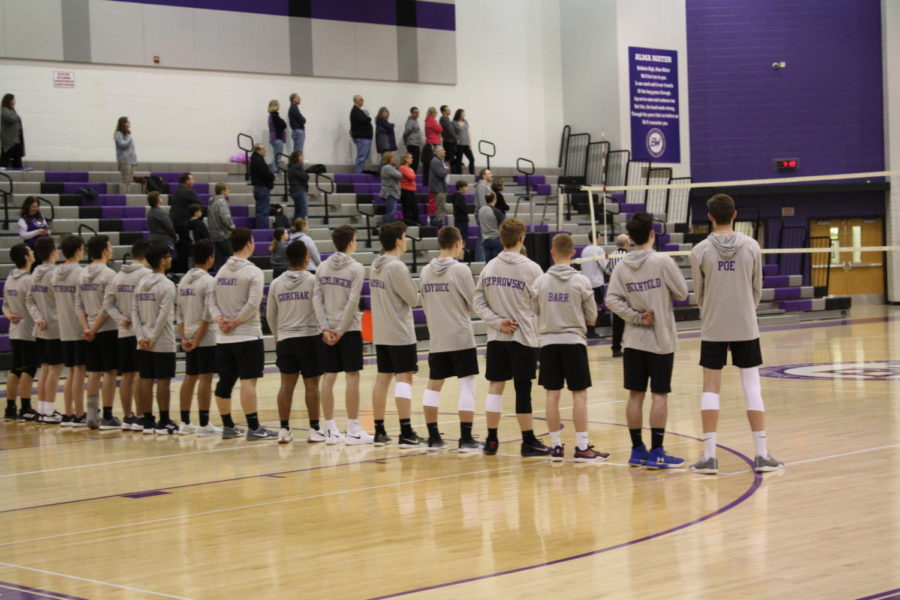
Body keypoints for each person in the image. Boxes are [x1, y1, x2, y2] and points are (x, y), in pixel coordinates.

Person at [689, 194, 784, 474]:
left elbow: (699, 293)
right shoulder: (752, 246)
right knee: (752, 386)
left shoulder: (700, 250)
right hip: (745, 323)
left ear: (709, 216)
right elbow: (757, 290)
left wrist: (716, 313)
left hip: (714, 324)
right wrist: (742, 310)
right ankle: (762, 454)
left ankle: (709, 457)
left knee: (710, 387)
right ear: (735, 214)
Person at [606, 213, 689, 468]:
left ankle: (636, 449)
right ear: (652, 234)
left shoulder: (621, 266)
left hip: (633, 340)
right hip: (660, 340)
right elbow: (683, 293)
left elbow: (611, 300)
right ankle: (657, 451)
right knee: (659, 395)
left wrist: (635, 316)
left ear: (629, 238)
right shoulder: (662, 262)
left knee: (635, 395)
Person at [473, 218, 549, 457]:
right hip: (523, 336)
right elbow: (541, 304)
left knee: (495, 386)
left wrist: (497, 321)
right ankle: (528, 441)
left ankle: (491, 439)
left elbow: (477, 302)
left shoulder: (489, 267)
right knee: (522, 388)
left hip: (497, 337)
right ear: (521, 239)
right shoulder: (532, 268)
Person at [534, 233, 607, 462]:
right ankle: (582, 446)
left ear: (552, 252)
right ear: (573, 253)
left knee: (552, 395)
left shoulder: (541, 281)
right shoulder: (581, 281)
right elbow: (593, 316)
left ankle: (556, 446)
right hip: (574, 341)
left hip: (548, 343)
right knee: (579, 395)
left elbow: (535, 311)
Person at [210, 228, 278, 440]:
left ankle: (228, 426)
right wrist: (236, 321)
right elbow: (253, 303)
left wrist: (220, 319)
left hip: (223, 337)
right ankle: (254, 428)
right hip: (247, 335)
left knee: (225, 381)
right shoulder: (253, 271)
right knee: (249, 381)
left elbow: (211, 301)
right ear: (249, 243)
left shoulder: (221, 271)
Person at [419, 226, 482, 451]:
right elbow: (474, 304)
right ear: (457, 243)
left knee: (434, 385)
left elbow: (424, 303)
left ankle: (433, 437)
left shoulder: (425, 271)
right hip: (460, 336)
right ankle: (466, 438)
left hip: (437, 336)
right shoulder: (461, 270)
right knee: (467, 385)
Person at [314, 225, 373, 444]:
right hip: (347, 329)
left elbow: (316, 299)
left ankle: (329, 429)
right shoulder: (356, 268)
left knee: (329, 376)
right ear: (350, 243)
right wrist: (339, 330)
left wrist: (325, 327)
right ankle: (353, 429)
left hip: (328, 329)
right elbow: (353, 301)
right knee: (352, 376)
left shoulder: (322, 267)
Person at [369, 222, 424, 447]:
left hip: (381, 331)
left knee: (383, 379)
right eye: (405, 236)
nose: (407, 240)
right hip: (400, 332)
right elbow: (414, 299)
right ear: (398, 240)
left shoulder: (375, 264)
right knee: (404, 378)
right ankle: (405, 430)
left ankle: (379, 430)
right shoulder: (396, 267)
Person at [267, 240, 328, 444]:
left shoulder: (276, 283)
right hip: (309, 337)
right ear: (306, 258)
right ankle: (314, 429)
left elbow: (270, 315)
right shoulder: (312, 281)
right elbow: (321, 308)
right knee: (312, 385)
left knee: (286, 385)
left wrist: (278, 336)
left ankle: (284, 430)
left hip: (285, 338)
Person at [103, 239, 151, 431]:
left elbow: (107, 304)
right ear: (147, 257)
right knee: (140, 373)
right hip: (141, 331)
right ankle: (140, 416)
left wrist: (120, 318)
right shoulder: (147, 275)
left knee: (126, 376)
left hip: (123, 331)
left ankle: (127, 417)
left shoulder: (118, 276)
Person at [176, 240, 221, 437]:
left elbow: (179, 314)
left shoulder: (184, 280)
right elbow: (207, 315)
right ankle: (204, 423)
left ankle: (185, 421)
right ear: (210, 257)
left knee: (189, 377)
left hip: (188, 334)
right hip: (205, 336)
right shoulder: (209, 281)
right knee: (205, 379)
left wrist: (184, 337)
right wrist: (196, 339)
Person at [77, 235, 122, 430]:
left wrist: (87, 328)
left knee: (94, 372)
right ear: (104, 251)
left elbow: (78, 305)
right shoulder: (109, 274)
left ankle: (92, 415)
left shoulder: (82, 274)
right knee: (110, 372)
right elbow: (107, 306)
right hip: (107, 329)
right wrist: (94, 329)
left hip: (89, 329)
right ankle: (108, 416)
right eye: (110, 247)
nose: (111, 250)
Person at [132, 244, 178, 435]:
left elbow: (134, 312)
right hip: (162, 340)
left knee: (145, 379)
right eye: (168, 256)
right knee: (163, 381)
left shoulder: (141, 283)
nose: (171, 259)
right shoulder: (167, 285)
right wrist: (151, 337)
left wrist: (141, 335)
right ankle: (164, 420)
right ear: (162, 260)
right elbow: (164, 315)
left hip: (143, 340)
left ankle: (147, 419)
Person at [25, 237, 64, 424]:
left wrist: (37, 318)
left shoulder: (34, 273)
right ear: (54, 252)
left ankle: (42, 409)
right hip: (55, 328)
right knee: (54, 370)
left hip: (40, 328)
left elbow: (29, 300)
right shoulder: (54, 274)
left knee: (45, 369)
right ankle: (48, 411)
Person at [54, 234, 87, 427]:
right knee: (79, 371)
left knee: (70, 372)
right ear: (77, 250)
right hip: (77, 327)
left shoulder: (55, 274)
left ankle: (68, 413)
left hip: (63, 327)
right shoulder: (79, 273)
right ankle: (79, 413)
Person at [3, 243, 38, 422]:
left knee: (16, 369)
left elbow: (5, 305)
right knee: (29, 369)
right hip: (28, 331)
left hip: (15, 330)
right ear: (26, 257)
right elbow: (35, 305)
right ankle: (25, 407)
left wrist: (10, 316)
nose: (33, 252)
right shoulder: (28, 280)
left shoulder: (10, 278)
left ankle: (10, 407)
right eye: (30, 251)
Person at [579, 230, 609, 339]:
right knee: (595, 306)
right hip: (596, 282)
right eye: (600, 236)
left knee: (589, 306)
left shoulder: (584, 250)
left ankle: (588, 329)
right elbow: (604, 266)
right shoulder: (599, 250)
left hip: (586, 281)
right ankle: (591, 330)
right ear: (597, 237)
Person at [169, 172, 199, 274]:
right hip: (184, 224)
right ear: (186, 181)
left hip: (174, 224)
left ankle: (180, 271)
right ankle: (185, 272)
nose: (194, 181)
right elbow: (198, 206)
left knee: (179, 249)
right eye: (192, 179)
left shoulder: (176, 191)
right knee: (185, 250)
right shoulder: (189, 192)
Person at [609, 233, 630, 357]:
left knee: (617, 323)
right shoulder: (628, 256)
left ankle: (615, 348)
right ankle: (630, 346)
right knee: (631, 320)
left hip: (615, 290)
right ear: (626, 244)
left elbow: (607, 270)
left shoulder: (612, 256)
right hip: (627, 291)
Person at [208, 183, 236, 273]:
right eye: (228, 189)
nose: (229, 191)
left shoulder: (212, 202)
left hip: (215, 235)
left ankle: (218, 279)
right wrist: (233, 228)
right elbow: (225, 218)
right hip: (223, 234)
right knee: (235, 257)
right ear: (222, 191)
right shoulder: (221, 202)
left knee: (219, 260)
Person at [250, 143, 275, 229]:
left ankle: (262, 229)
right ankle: (262, 231)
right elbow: (265, 172)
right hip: (262, 187)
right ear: (258, 150)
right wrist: (272, 176)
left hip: (260, 187)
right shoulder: (258, 160)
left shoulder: (256, 159)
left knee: (262, 210)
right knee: (263, 211)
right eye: (263, 149)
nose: (265, 150)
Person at [478, 191, 504, 262]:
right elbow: (502, 227)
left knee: (488, 264)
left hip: (485, 240)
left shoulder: (481, 210)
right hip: (496, 240)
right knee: (496, 263)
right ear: (494, 199)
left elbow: (479, 223)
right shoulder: (497, 211)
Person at [349, 95, 373, 173]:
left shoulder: (358, 111)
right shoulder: (355, 111)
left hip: (365, 137)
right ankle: (358, 175)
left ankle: (360, 172)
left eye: (362, 100)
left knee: (363, 157)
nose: (362, 101)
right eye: (360, 100)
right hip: (362, 137)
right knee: (361, 157)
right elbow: (363, 121)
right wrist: (368, 119)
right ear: (356, 101)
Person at [114, 116, 137, 194]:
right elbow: (123, 145)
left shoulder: (126, 134)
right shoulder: (118, 133)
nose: (129, 123)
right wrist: (128, 138)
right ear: (123, 124)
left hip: (131, 160)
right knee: (125, 180)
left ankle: (127, 196)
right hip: (125, 160)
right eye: (127, 122)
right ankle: (123, 197)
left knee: (130, 181)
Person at [1, 93, 24, 168]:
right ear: (10, 100)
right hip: (9, 141)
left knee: (17, 158)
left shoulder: (11, 110)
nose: (15, 101)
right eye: (14, 99)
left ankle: (18, 172)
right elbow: (11, 119)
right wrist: (15, 113)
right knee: (5, 158)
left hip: (16, 140)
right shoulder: (4, 110)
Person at [428, 146, 449, 227]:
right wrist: (447, 169)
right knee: (440, 208)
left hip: (441, 188)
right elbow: (441, 174)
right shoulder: (436, 161)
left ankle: (440, 224)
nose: (444, 151)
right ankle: (439, 225)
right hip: (438, 189)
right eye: (443, 150)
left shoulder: (439, 161)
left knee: (442, 208)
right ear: (438, 152)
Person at [380, 151, 401, 225]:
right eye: (393, 158)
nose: (395, 159)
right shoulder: (388, 168)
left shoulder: (389, 167)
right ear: (389, 159)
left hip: (392, 192)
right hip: (390, 192)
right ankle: (387, 227)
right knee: (391, 212)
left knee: (392, 211)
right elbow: (399, 175)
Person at [452, 109, 475, 175]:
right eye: (462, 113)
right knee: (459, 160)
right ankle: (459, 174)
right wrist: (456, 139)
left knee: (472, 159)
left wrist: (470, 143)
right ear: (458, 114)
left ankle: (472, 174)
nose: (464, 115)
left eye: (464, 114)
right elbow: (453, 133)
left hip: (466, 144)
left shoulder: (465, 122)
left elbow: (468, 132)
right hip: (459, 144)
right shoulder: (454, 122)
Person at [287, 151, 309, 219]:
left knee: (298, 212)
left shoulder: (292, 167)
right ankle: (300, 228)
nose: (303, 157)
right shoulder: (296, 167)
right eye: (301, 156)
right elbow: (305, 177)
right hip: (299, 190)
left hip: (295, 190)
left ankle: (295, 227)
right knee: (302, 212)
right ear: (297, 158)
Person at [398, 152, 419, 225]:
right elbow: (411, 177)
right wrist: (412, 173)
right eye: (410, 158)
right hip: (405, 190)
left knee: (414, 207)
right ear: (406, 159)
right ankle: (408, 222)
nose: (412, 159)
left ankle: (416, 221)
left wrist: (412, 173)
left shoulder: (410, 169)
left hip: (411, 190)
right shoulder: (402, 167)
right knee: (407, 207)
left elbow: (412, 176)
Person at [268, 99, 287, 173]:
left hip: (274, 138)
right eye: (278, 104)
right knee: (277, 157)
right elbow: (283, 125)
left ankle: (274, 171)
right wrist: (282, 121)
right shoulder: (274, 115)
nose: (279, 106)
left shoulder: (271, 115)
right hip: (277, 138)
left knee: (276, 156)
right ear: (275, 105)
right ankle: (274, 171)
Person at [421, 107, 441, 177]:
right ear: (433, 113)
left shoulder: (427, 120)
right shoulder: (432, 120)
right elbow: (440, 129)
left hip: (429, 140)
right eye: (436, 113)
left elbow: (427, 133)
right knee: (434, 160)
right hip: (434, 142)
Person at [402, 107, 423, 171]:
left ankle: (413, 175)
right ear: (411, 113)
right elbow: (406, 132)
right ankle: (411, 175)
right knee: (413, 162)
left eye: (418, 112)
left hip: (415, 143)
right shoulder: (411, 121)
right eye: (415, 112)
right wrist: (407, 141)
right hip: (412, 143)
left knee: (415, 161)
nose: (417, 114)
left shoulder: (415, 120)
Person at [439, 105, 457, 174]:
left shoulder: (447, 119)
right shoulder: (444, 119)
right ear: (444, 111)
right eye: (448, 110)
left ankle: (447, 174)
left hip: (450, 141)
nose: (449, 111)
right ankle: (446, 174)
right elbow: (450, 131)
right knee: (448, 159)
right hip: (448, 141)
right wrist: (456, 139)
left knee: (450, 159)